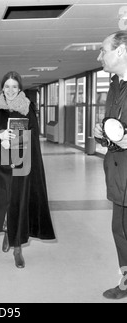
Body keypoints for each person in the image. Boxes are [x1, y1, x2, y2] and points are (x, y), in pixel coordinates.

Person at [0, 71, 55, 269]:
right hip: (0, 164)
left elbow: (34, 137)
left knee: (18, 202)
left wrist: (20, 140)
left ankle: (17, 247)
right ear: (2, 87)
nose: (11, 90)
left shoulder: (28, 109)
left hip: (22, 165)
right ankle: (8, 232)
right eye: (7, 86)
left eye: (15, 87)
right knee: (3, 201)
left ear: (20, 89)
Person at [94, 30, 127, 300]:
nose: (99, 55)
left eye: (103, 50)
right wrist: (101, 132)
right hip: (118, 171)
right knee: (120, 229)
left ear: (121, 51)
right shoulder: (115, 84)